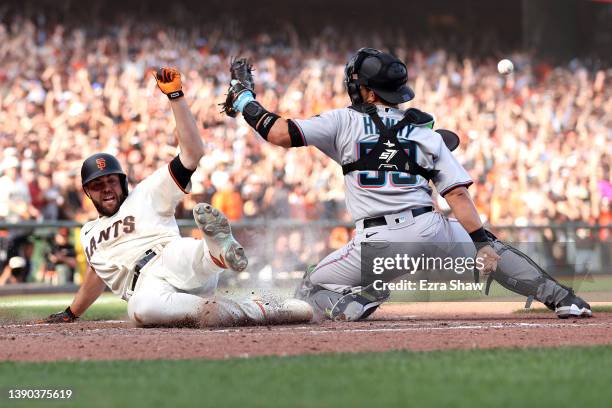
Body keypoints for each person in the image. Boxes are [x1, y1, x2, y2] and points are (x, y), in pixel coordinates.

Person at [222, 49, 592, 320]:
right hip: (432, 229)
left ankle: (351, 304)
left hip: (378, 242)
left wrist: (244, 101)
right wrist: (481, 243)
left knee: (310, 287)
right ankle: (564, 300)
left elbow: (281, 133)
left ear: (367, 92)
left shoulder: (342, 122)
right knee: (497, 255)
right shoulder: (422, 133)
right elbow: (457, 193)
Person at [42, 68, 312, 327]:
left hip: (170, 256)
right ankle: (258, 309)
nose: (107, 188)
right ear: (87, 192)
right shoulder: (89, 234)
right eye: (98, 184)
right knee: (141, 308)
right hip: (147, 287)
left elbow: (192, 154)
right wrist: (71, 312)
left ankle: (215, 252)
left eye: (111, 180)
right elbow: (97, 272)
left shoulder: (146, 192)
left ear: (123, 182)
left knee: (183, 255)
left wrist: (176, 98)